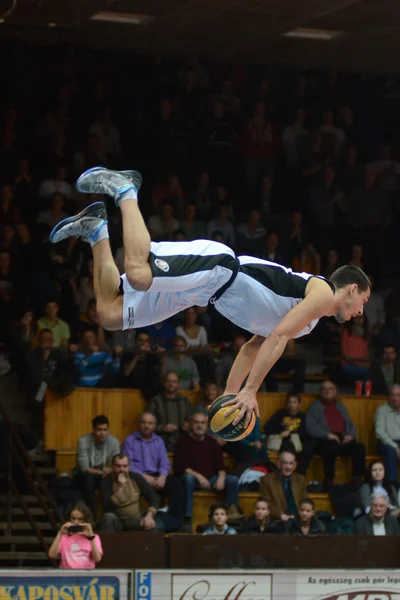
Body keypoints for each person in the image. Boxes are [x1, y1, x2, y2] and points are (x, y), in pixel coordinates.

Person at [49, 166, 371, 425]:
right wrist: (250, 391)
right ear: (353, 289)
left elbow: (250, 349)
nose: (361, 312)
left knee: (109, 316)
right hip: (218, 268)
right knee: (138, 273)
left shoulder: (310, 324)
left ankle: (96, 231)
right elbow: (277, 337)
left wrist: (231, 397)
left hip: (201, 294)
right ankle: (126, 189)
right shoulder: (323, 291)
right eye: (364, 302)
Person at [174, 412, 240, 533]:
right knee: (188, 478)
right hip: (192, 481)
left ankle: (231, 518)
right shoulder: (182, 442)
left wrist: (221, 476)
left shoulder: (212, 442)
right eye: (196, 422)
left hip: (211, 480)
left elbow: (221, 466)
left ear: (207, 426)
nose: (199, 425)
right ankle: (187, 520)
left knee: (233, 480)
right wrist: (198, 476)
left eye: (203, 423)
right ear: (190, 424)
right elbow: (179, 467)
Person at [305, 380, 366, 485]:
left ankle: (357, 478)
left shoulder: (341, 406)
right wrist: (328, 435)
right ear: (320, 392)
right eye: (324, 389)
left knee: (359, 447)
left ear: (335, 391)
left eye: (330, 389)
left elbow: (350, 424)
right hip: (325, 439)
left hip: (342, 438)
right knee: (330, 447)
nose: (327, 391)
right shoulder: (314, 407)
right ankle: (329, 479)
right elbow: (310, 427)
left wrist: (350, 435)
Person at [100, 453, 161, 532]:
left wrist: (149, 516)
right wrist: (120, 488)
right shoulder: (106, 481)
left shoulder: (136, 477)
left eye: (125, 466)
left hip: (134, 519)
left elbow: (154, 497)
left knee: (152, 525)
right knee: (108, 517)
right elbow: (107, 507)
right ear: (113, 467)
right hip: (116, 520)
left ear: (129, 467)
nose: (122, 469)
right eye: (118, 466)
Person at [75, 415, 120, 517]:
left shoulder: (114, 442)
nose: (102, 433)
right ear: (93, 430)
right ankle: (93, 516)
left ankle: (108, 516)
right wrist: (102, 472)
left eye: (105, 430)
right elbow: (85, 468)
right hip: (84, 475)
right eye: (99, 430)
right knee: (88, 479)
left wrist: (110, 471)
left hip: (102, 474)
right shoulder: (83, 440)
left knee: (107, 481)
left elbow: (116, 463)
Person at [264, 393, 314, 476]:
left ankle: (299, 475)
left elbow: (307, 432)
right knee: (287, 448)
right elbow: (267, 428)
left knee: (309, 448)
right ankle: (284, 475)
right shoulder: (280, 414)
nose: (291, 405)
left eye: (294, 402)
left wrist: (291, 433)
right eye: (289, 402)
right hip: (284, 441)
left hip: (299, 442)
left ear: (299, 404)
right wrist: (280, 433)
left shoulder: (303, 417)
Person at [48, 501, 103, 569]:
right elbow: (51, 555)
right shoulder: (63, 536)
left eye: (80, 519)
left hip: (86, 576)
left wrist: (91, 537)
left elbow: (97, 559)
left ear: (86, 519)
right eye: (73, 518)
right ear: (69, 518)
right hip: (67, 576)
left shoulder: (94, 537)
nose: (76, 522)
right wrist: (60, 533)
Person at [147, 371, 193, 451]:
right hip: (160, 443)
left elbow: (192, 422)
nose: (171, 384)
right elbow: (147, 425)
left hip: (182, 443)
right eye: (168, 381)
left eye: (174, 382)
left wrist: (188, 426)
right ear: (164, 383)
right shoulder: (155, 401)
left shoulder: (184, 401)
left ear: (178, 384)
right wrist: (163, 428)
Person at [259, 450, 308, 521]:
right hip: (277, 519)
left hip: (298, 518)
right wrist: (281, 515)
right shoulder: (267, 480)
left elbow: (305, 500)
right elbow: (266, 503)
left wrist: (302, 514)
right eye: (285, 463)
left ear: (295, 465)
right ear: (279, 464)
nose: (288, 467)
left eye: (291, 463)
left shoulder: (300, 479)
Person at [375, 384, 400, 483]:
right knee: (391, 451)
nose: (395, 398)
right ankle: (392, 484)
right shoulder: (381, 410)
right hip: (385, 443)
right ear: (389, 397)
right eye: (392, 395)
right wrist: (395, 447)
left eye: (398, 395)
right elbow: (380, 433)